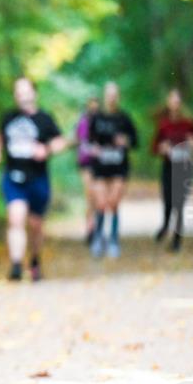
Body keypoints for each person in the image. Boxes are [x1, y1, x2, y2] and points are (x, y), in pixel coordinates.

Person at [0, 77, 66, 281]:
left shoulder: (44, 119)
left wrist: (46, 149)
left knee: (35, 224)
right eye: (18, 92)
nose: (22, 95)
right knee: (16, 217)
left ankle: (35, 260)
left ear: (34, 93)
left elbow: (61, 141)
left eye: (25, 91)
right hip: (13, 177)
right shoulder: (8, 117)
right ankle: (15, 264)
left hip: (38, 178)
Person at [88, 81, 139, 258]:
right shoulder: (96, 118)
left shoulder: (124, 118)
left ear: (118, 97)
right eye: (108, 94)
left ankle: (114, 240)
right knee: (101, 203)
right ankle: (98, 237)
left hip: (119, 167)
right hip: (100, 167)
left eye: (114, 94)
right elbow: (87, 142)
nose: (111, 98)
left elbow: (135, 141)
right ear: (104, 96)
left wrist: (125, 141)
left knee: (114, 203)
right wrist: (94, 148)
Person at [152, 88, 193, 251]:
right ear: (169, 102)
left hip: (185, 166)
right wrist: (162, 148)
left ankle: (177, 240)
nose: (175, 103)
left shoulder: (189, 123)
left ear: (181, 103)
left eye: (178, 100)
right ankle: (165, 226)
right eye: (173, 100)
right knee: (168, 200)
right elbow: (154, 147)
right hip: (168, 166)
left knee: (179, 203)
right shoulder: (163, 124)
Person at [75, 97, 100, 244]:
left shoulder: (102, 122)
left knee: (98, 198)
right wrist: (93, 151)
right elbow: (81, 143)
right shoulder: (83, 122)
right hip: (87, 164)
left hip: (101, 165)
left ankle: (97, 228)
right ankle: (90, 229)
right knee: (90, 197)